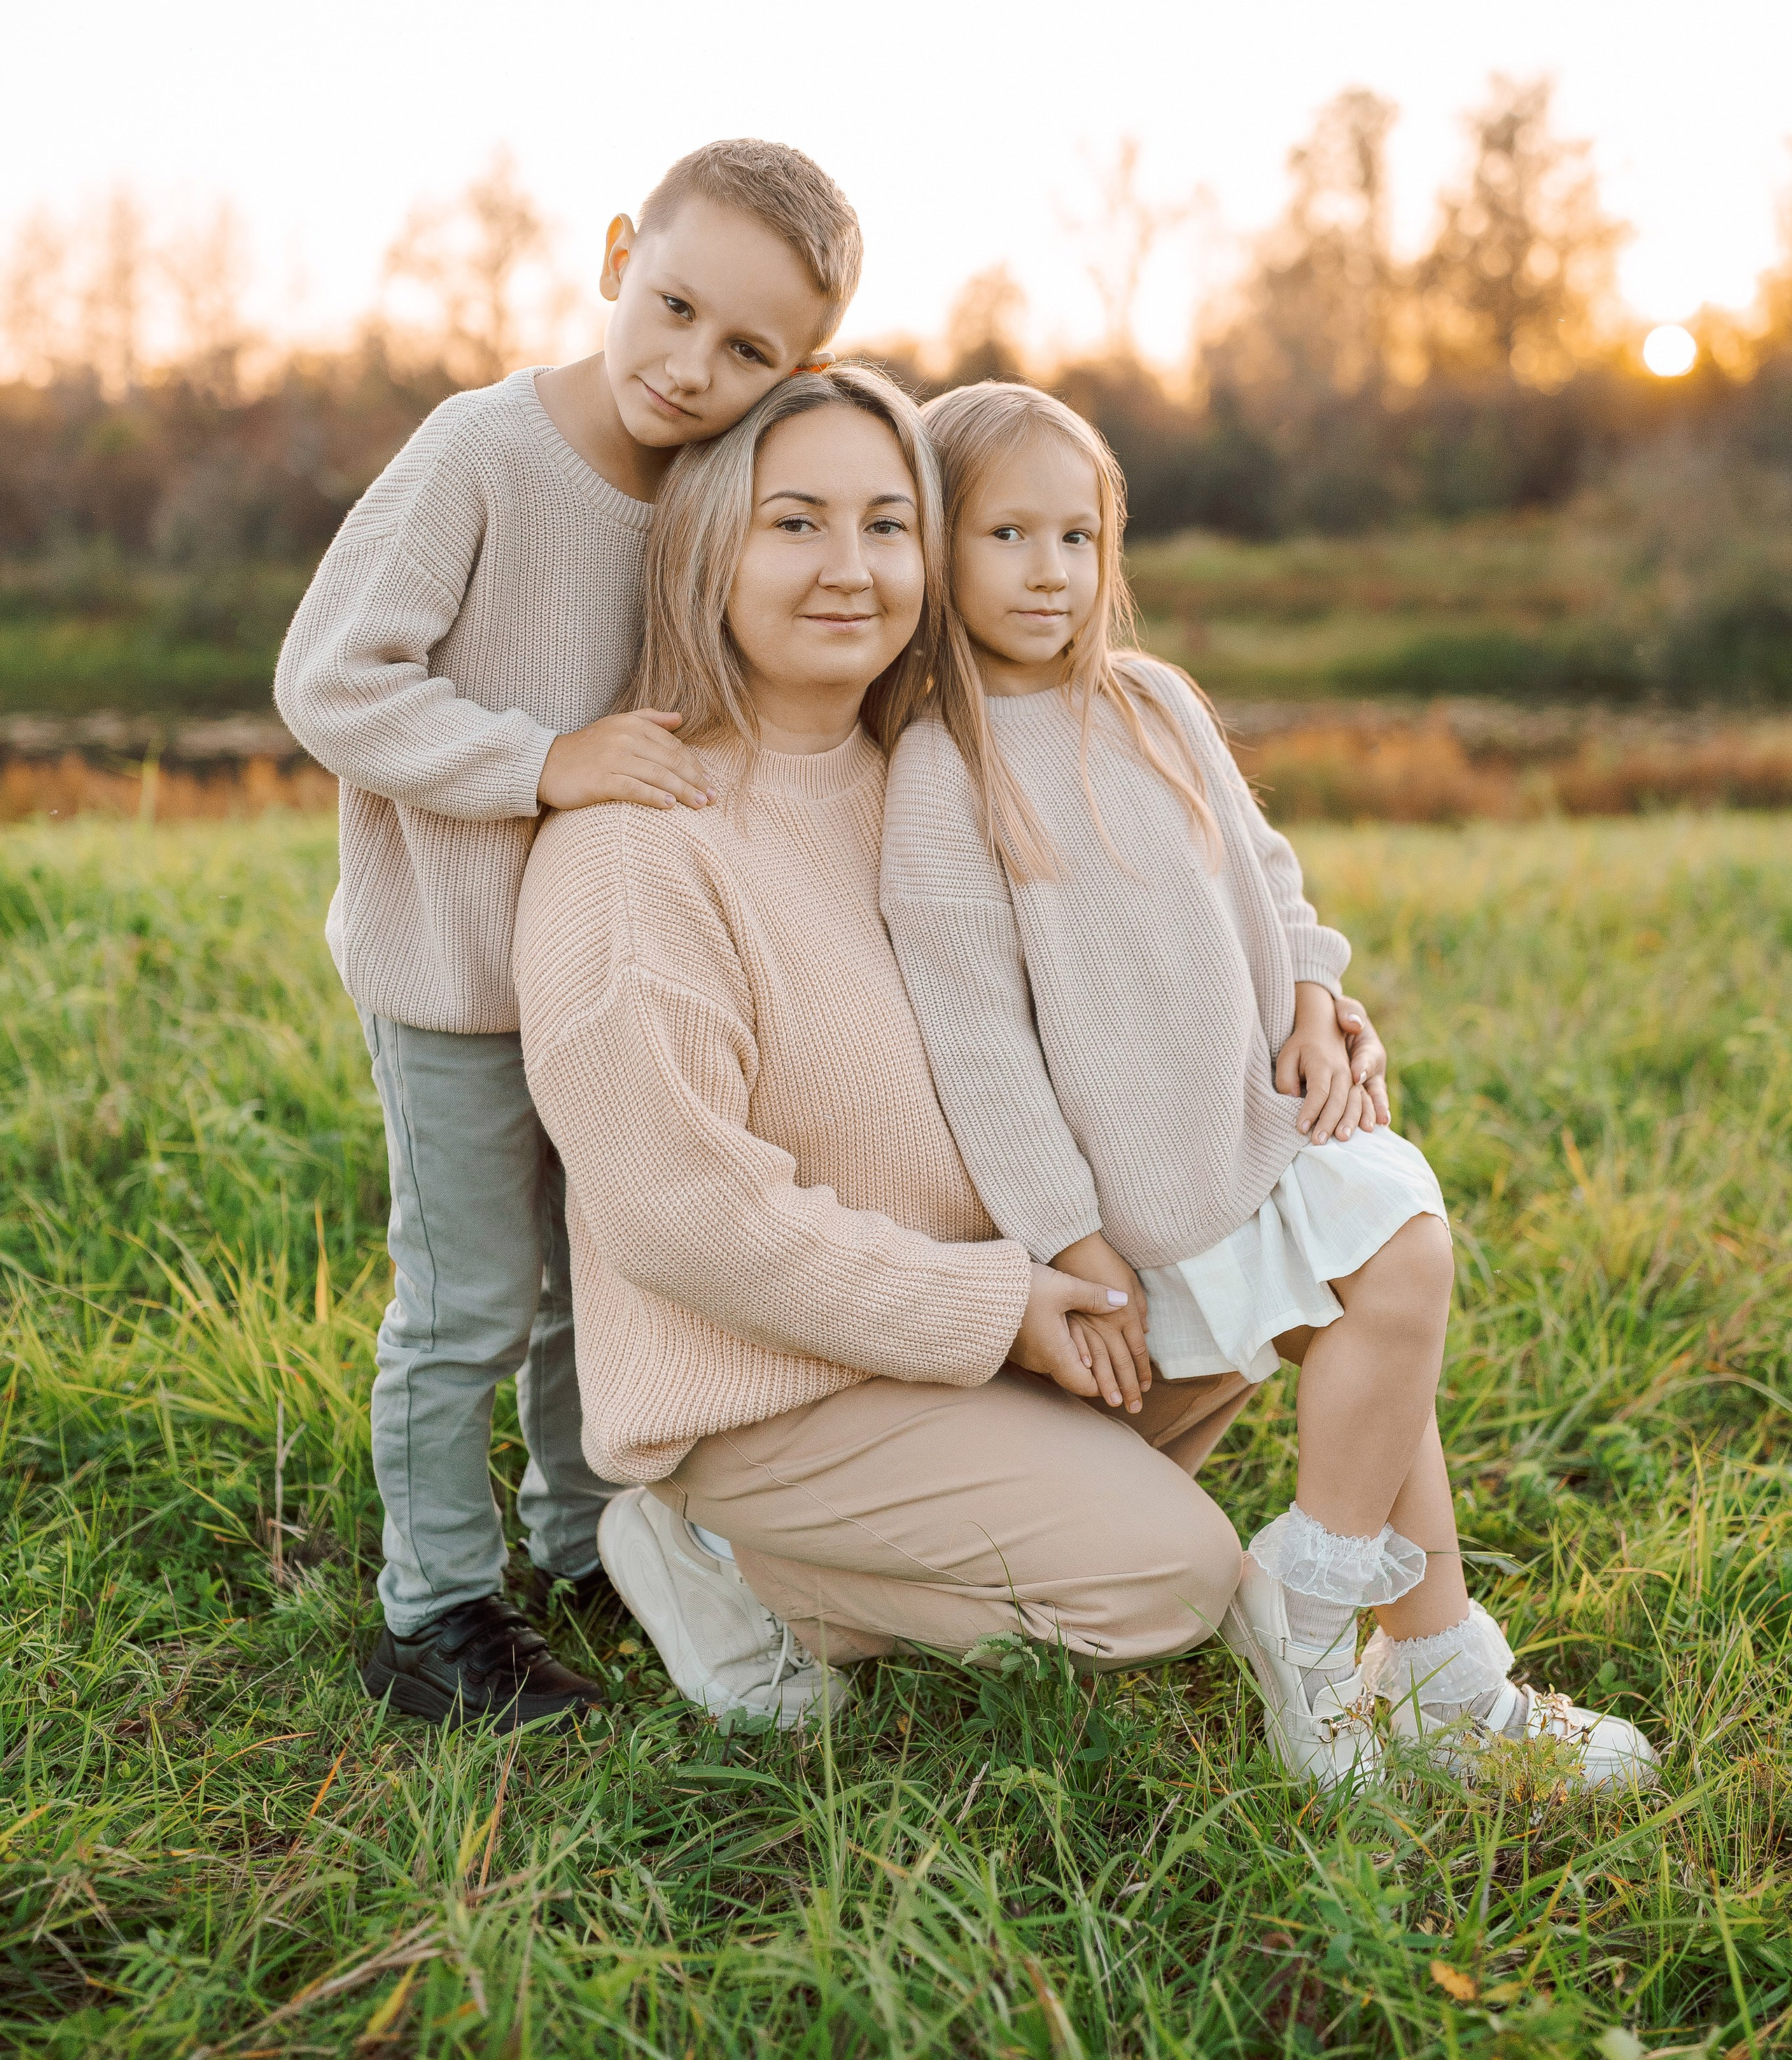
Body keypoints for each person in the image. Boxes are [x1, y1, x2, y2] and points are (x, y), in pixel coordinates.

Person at [880, 381, 1658, 1792]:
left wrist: (1308, 990)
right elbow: (974, 1040)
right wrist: (1066, 1234)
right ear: (934, 549)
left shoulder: (1154, 701)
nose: (1048, 572)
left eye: (1076, 535)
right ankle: (1343, 1634)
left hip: (1254, 1114)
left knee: (1393, 1278)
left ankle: (1393, 1649)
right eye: (1005, 535)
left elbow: (1263, 863)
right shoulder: (943, 766)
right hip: (1136, 1182)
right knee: (1388, 1286)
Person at [512, 366, 1261, 1730]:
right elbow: (683, 1216)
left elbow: (1152, 973)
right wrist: (993, 1311)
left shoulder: (934, 770)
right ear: (704, 546)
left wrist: (1314, 1000)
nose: (848, 569)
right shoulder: (636, 845)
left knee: (1258, 1278)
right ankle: (728, 1560)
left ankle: (983, 1500)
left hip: (975, 1327)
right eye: (793, 523)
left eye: (887, 523)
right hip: (773, 1394)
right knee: (1171, 1575)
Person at [274, 139, 861, 1732]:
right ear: (616, 256)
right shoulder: (481, 450)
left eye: (749, 351)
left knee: (580, 1287)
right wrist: (543, 761)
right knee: (464, 1295)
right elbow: (329, 680)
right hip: (462, 974)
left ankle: (582, 1533)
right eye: (673, 308)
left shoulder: (709, 490)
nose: (692, 367)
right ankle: (435, 1612)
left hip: (605, 980)